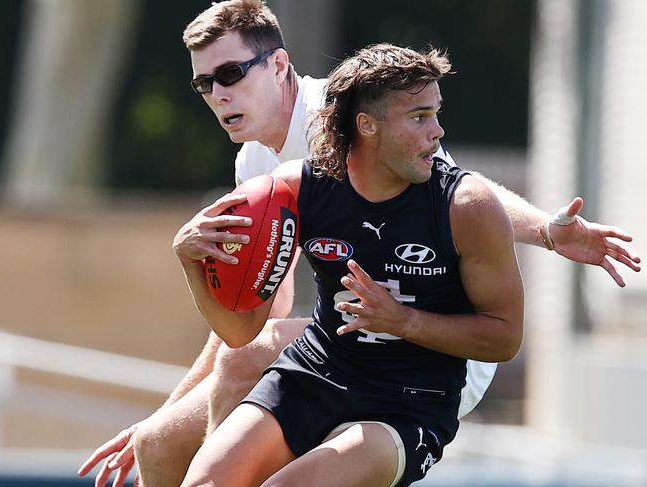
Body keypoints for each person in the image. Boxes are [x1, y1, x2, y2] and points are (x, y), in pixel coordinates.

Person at [77, 1, 641, 486]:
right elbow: (250, 314)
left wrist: (545, 229)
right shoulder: (257, 166)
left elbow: (458, 188)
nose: (217, 95)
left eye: (230, 74)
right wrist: (168, 410)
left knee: (244, 385)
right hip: (346, 346)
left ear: (278, 66)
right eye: (204, 84)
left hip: (436, 360)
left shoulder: (350, 116)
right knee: (157, 445)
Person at [178, 42, 524, 487]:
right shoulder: (296, 188)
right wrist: (190, 263)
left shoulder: (467, 205)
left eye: (435, 113)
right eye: (419, 117)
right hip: (316, 374)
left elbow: (505, 337)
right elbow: (240, 332)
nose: (437, 132)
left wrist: (404, 321)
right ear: (367, 126)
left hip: (408, 404)